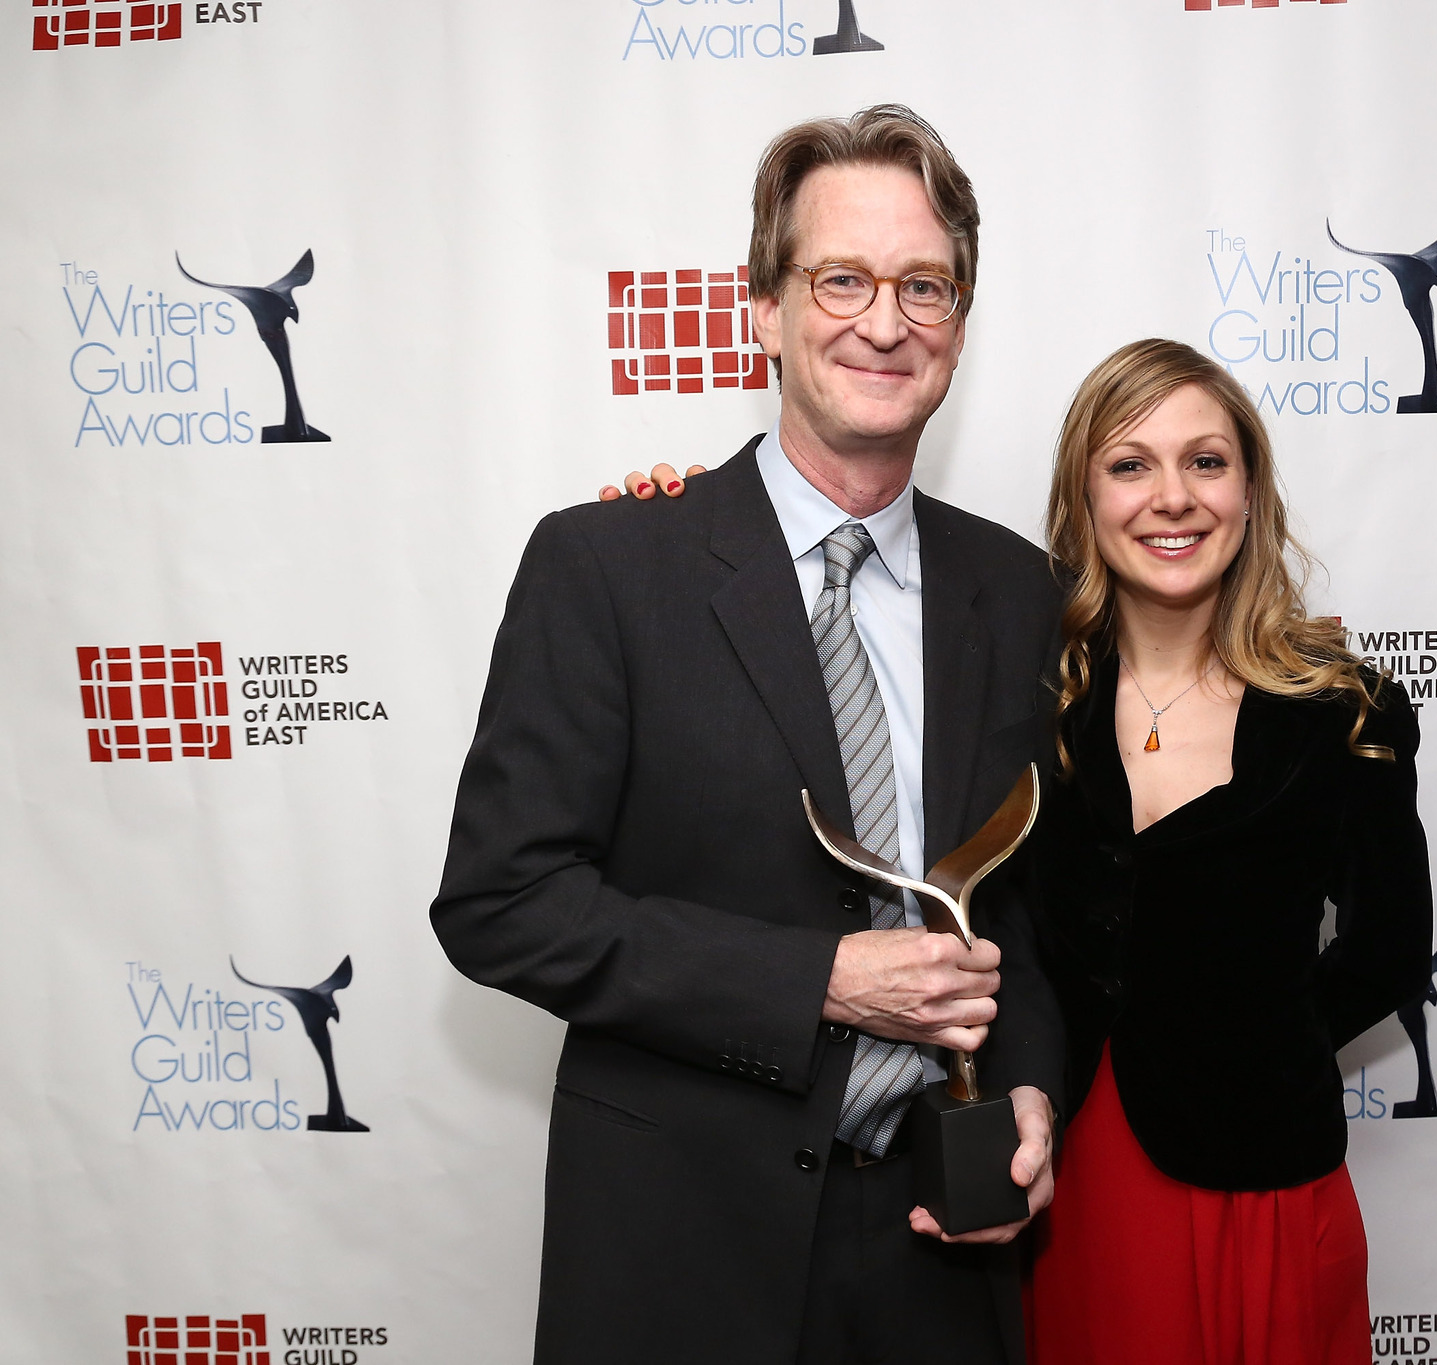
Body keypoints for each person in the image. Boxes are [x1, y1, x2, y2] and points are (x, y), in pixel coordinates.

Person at [432, 105, 1064, 1365]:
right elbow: (502, 903)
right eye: (840, 278)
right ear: (762, 309)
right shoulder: (607, 569)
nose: (883, 323)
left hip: (944, 1252)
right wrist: (816, 983)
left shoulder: (1018, 589)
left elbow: (1024, 910)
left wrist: (1031, 1090)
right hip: (682, 1259)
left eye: (924, 288)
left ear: (958, 323)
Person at [1022, 338, 1434, 1365]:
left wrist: (1257, 1043)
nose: (1172, 497)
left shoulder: (1342, 711)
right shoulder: (1021, 699)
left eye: (1205, 461)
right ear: (1081, 498)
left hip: (1262, 1188)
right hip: (1063, 1184)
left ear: (1248, 487)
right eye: (1129, 464)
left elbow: (1389, 949)